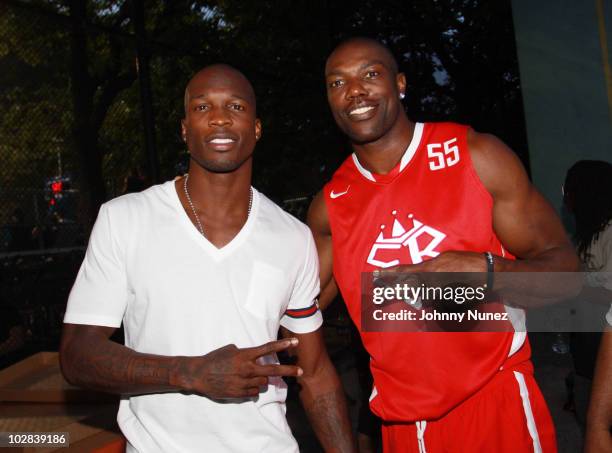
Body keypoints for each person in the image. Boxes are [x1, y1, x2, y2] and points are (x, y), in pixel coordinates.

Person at [60, 64, 355, 453]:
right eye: (202, 108)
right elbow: (77, 355)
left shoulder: (292, 237)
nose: (219, 118)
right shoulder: (125, 219)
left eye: (235, 106)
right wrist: (191, 373)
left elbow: (315, 374)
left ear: (256, 128)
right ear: (184, 129)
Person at [308, 37, 579, 452]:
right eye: (337, 82)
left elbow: (567, 275)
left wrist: (491, 274)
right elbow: (296, 311)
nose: (354, 90)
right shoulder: (331, 205)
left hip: (493, 401)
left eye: (370, 74)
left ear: (400, 83)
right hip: (400, 422)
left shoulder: (475, 154)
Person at [562, 160, 612, 432]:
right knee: (587, 411)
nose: (566, 199)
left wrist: (573, 287)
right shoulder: (584, 234)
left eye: (569, 191)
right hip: (585, 344)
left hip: (603, 343)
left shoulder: (610, 234)